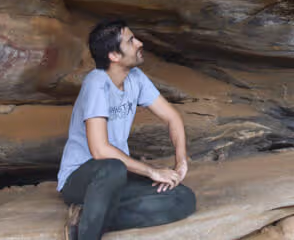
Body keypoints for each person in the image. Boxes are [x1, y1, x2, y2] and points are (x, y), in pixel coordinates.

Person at [57, 19, 195, 239]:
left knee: (182, 197)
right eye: (131, 41)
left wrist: (181, 162)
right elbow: (100, 151)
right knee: (112, 168)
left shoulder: (136, 78)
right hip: (82, 178)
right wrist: (151, 170)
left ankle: (88, 218)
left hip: (119, 174)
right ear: (114, 56)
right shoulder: (96, 84)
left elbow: (172, 118)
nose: (139, 43)